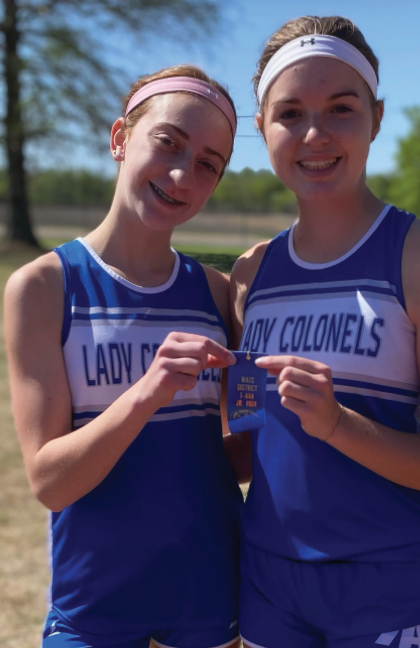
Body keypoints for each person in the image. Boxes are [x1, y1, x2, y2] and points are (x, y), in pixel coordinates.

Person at [230, 16, 420, 648]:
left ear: (376, 118)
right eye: (290, 113)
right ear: (261, 127)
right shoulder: (250, 273)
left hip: (385, 578)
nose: (314, 134)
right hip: (268, 577)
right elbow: (244, 438)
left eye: (341, 109)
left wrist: (337, 423)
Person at [4, 65, 244, 648]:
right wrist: (146, 393)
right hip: (93, 609)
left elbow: (238, 458)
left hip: (210, 600)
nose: (183, 174)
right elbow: (50, 482)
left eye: (208, 164)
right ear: (119, 138)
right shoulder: (43, 286)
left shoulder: (217, 294)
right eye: (168, 142)